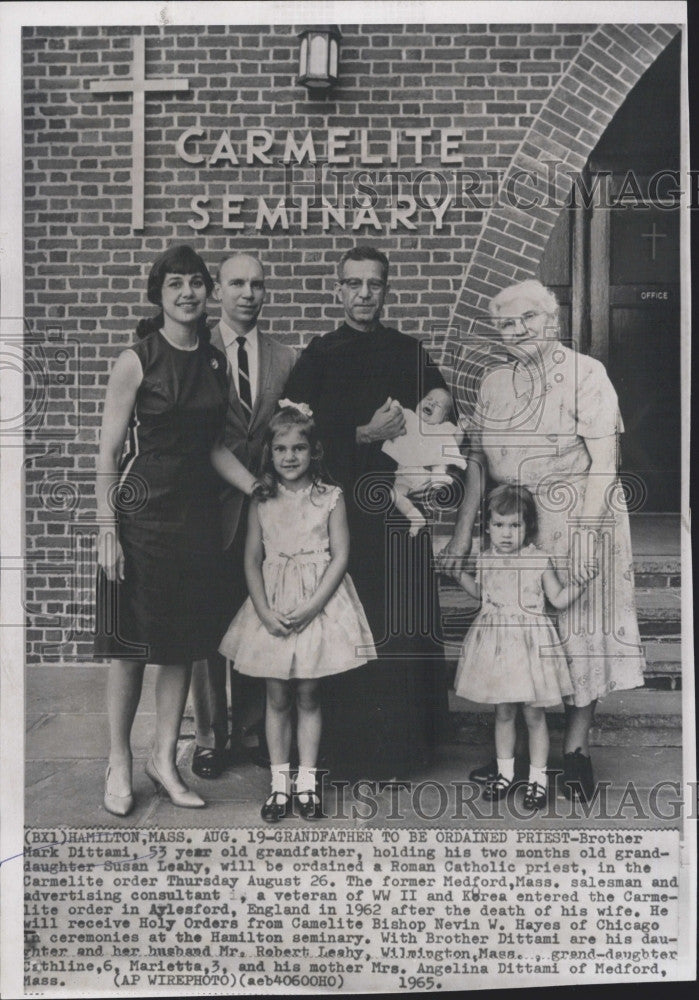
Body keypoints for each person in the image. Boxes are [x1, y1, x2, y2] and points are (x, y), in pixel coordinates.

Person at [439, 279, 645, 801]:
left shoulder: (586, 375)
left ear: (552, 320)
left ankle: (574, 753)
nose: (516, 331)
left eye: (527, 318)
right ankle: (514, 756)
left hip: (580, 515)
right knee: (516, 636)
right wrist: (463, 534)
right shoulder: (493, 382)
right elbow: (479, 464)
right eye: (504, 324)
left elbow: (604, 462)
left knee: (580, 635)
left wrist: (584, 535)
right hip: (513, 526)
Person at [94, 244, 261, 815]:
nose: (188, 294)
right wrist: (106, 528)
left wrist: (257, 487)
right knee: (131, 647)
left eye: (195, 283)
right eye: (175, 286)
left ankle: (164, 760)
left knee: (183, 648)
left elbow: (215, 446)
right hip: (141, 519)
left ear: (206, 292)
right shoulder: (136, 359)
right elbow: (108, 452)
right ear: (158, 295)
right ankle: (119, 760)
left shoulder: (214, 362)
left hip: (195, 521)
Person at [283, 245, 450, 782]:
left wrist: (441, 400)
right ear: (338, 290)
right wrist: (363, 434)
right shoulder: (320, 353)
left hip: (397, 515)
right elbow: (292, 436)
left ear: (386, 290)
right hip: (341, 512)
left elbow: (440, 403)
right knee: (347, 626)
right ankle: (343, 752)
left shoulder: (407, 349)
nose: (363, 294)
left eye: (373, 284)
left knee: (398, 626)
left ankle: (404, 751)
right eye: (352, 284)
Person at [218, 404, 375, 821]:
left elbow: (340, 556)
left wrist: (313, 605)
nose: (290, 457)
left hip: (316, 603)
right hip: (273, 603)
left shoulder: (330, 497)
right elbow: (252, 558)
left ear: (314, 451)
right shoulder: (261, 499)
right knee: (276, 694)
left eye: (299, 448)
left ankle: (307, 782)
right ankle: (279, 784)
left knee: (308, 692)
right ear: (269, 453)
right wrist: (264, 612)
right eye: (282, 449)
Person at [189, 253, 296, 780]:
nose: (247, 293)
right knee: (209, 627)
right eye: (236, 284)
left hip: (266, 514)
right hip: (206, 511)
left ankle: (256, 729)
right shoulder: (191, 348)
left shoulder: (284, 357)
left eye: (257, 284)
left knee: (259, 617)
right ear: (217, 292)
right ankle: (209, 737)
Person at [453, 485, 591, 809]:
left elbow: (557, 599)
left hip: (530, 648)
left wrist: (580, 583)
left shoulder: (538, 560)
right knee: (503, 712)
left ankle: (538, 780)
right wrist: (457, 573)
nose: (506, 533)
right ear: (487, 525)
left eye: (515, 525)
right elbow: (480, 592)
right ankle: (504, 773)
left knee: (533, 715)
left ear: (528, 527)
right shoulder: (485, 559)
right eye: (499, 524)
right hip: (498, 647)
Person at [382, 387, 467, 535]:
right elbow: (397, 413)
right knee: (395, 494)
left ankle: (438, 475)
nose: (432, 403)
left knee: (442, 452)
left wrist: (461, 428)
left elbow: (454, 443)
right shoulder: (409, 417)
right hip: (404, 476)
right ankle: (415, 518)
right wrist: (395, 407)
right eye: (428, 399)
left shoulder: (443, 428)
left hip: (427, 473)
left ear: (444, 417)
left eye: (438, 405)